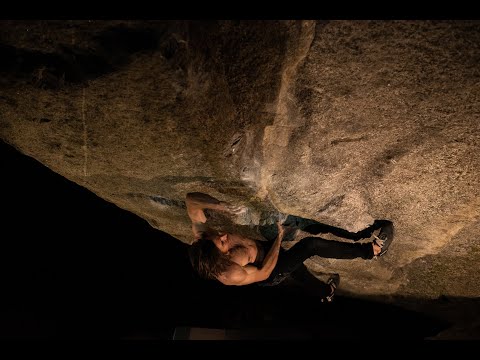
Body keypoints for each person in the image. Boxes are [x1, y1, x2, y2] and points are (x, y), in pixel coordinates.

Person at [186, 192, 394, 302]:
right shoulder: (230, 274)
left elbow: (191, 200)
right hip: (270, 271)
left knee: (299, 271)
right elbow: (265, 271)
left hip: (263, 247)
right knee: (309, 246)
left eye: (217, 237)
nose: (223, 236)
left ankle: (326, 292)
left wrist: (221, 206)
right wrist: (280, 237)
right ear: (222, 259)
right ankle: (371, 251)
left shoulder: (203, 237)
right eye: (223, 243)